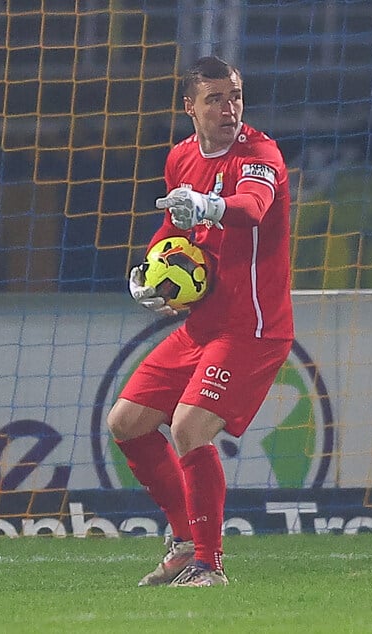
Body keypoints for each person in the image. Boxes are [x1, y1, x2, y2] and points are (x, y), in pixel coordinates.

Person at [106, 55, 294, 587]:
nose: (228, 108)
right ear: (190, 106)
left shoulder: (259, 153)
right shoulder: (181, 158)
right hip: (202, 326)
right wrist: (150, 273)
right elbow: (172, 226)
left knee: (189, 428)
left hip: (254, 328)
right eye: (214, 99)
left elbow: (253, 208)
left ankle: (209, 565)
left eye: (234, 96)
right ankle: (184, 538)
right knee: (127, 423)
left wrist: (208, 207)